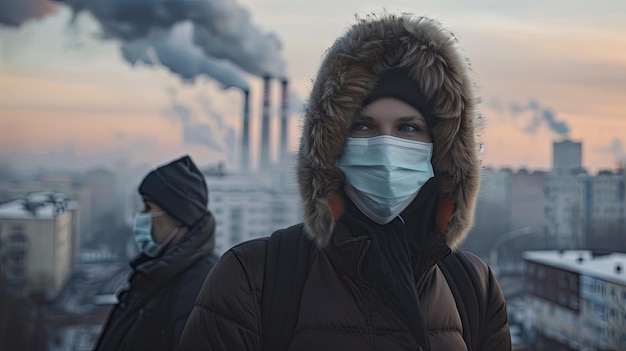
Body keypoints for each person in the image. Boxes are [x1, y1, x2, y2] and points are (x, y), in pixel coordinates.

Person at [179, 13, 511, 351]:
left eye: (408, 128)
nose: (385, 150)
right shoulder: (253, 279)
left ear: (441, 150)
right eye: (363, 126)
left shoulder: (473, 288)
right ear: (332, 146)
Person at [95, 155, 219, 351]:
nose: (140, 216)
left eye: (148, 207)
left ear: (180, 217)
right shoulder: (155, 272)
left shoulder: (201, 286)